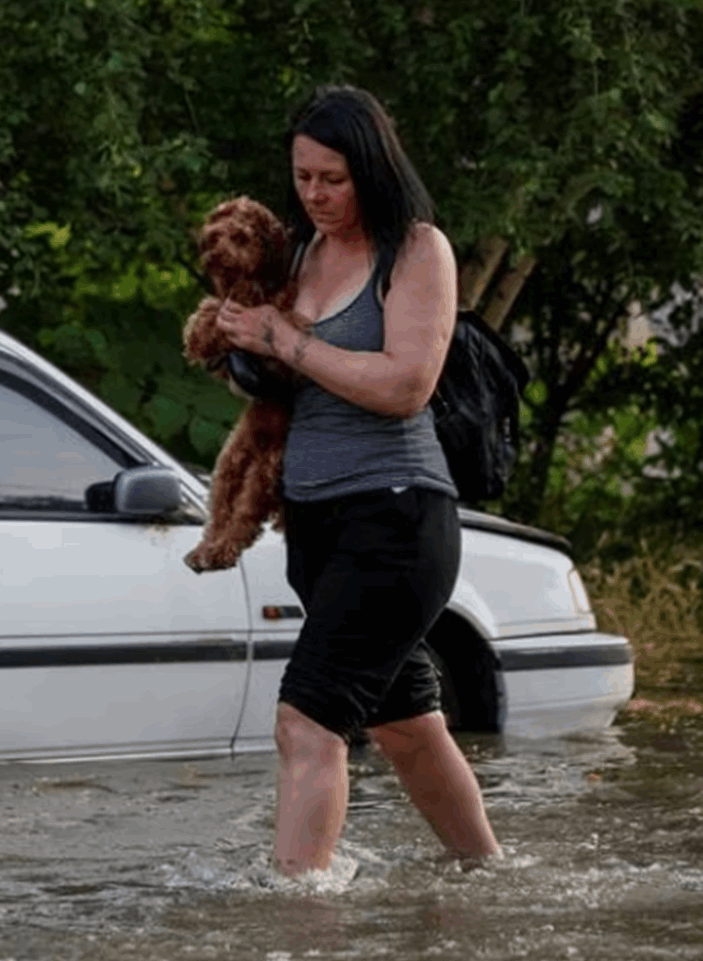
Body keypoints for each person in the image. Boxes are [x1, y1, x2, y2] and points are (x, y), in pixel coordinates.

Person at [211, 85, 502, 876]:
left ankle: (298, 914)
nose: (314, 195)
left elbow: (405, 383)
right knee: (407, 725)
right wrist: (246, 347)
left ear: (371, 167)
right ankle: (488, 876)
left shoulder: (416, 250)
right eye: (302, 177)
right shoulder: (301, 254)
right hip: (316, 524)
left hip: (398, 521)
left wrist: (286, 340)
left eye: (331, 179)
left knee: (306, 721)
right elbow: (288, 385)